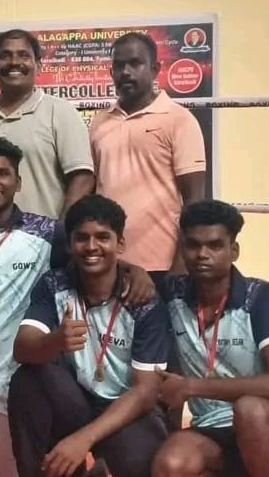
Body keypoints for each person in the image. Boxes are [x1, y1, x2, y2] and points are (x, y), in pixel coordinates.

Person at [0, 137, 155, 477]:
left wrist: (134, 270)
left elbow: (91, 255)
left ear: (17, 182)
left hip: (9, 376)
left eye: (2, 173)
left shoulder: (47, 232)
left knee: (18, 466)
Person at [149, 199, 269, 477]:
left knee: (250, 410)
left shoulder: (263, 297)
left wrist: (192, 386)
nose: (202, 254)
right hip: (211, 425)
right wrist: (134, 273)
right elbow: (117, 275)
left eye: (214, 246)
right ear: (183, 249)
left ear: (233, 251)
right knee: (171, 464)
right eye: (193, 245)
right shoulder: (171, 293)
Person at [9, 194, 170, 477]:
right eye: (82, 238)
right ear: (70, 244)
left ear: (120, 244)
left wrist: (83, 439)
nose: (91, 246)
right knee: (27, 380)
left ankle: (102, 462)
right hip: (76, 401)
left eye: (103, 237)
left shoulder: (143, 300)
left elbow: (145, 392)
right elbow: (22, 349)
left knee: (140, 461)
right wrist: (55, 340)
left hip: (126, 410)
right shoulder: (55, 284)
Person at [89, 31, 206, 284]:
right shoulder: (99, 123)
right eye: (119, 65)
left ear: (155, 69)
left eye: (135, 63)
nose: (126, 72)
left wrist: (181, 262)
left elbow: (195, 198)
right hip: (108, 261)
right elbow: (93, 188)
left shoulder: (179, 119)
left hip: (162, 263)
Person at [0, 29, 94, 224]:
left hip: (44, 240)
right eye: (5, 55)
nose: (14, 62)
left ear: (38, 66)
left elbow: (82, 178)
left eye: (23, 55)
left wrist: (61, 232)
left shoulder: (60, 112)